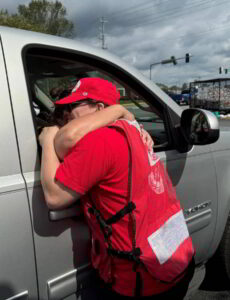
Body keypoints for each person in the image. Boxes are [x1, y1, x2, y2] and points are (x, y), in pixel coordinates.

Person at [39, 77, 195, 299]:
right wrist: (122, 112)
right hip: (177, 259)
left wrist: (47, 141)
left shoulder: (99, 139)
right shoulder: (131, 128)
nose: (67, 113)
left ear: (100, 109)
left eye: (74, 106)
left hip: (141, 280)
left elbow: (54, 197)